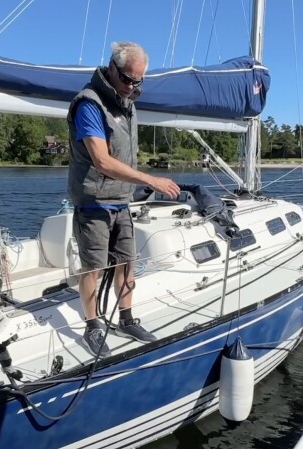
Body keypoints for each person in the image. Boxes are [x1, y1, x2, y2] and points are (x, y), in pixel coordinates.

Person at [66, 41, 180, 357]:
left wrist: (135, 185)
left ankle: (127, 318)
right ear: (112, 69)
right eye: (127, 79)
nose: (132, 87)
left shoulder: (127, 103)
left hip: (120, 200)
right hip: (94, 202)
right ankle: (93, 326)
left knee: (128, 263)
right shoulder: (89, 104)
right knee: (93, 267)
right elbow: (101, 161)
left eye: (138, 81)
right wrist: (149, 179)